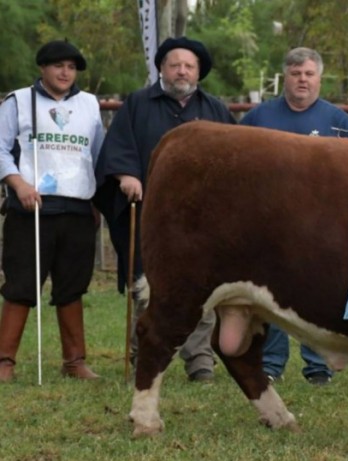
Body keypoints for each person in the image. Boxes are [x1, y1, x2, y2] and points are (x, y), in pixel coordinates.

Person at [94, 37, 235, 382]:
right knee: (149, 286)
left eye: (189, 66)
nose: (181, 71)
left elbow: (237, 160)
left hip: (202, 220)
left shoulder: (216, 110)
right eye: (175, 65)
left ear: (198, 71)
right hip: (150, 214)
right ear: (161, 68)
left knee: (202, 288)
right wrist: (126, 175)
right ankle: (144, 354)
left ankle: (200, 360)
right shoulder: (138, 105)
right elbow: (119, 146)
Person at [240, 47, 348, 386]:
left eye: (309, 74)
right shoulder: (258, 119)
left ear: (319, 78)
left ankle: (318, 365)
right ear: (286, 77)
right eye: (296, 74)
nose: (302, 80)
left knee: (316, 296)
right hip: (270, 225)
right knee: (272, 298)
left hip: (322, 229)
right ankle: (271, 364)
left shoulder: (337, 121)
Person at [0, 40, 104, 382]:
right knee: (21, 285)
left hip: (77, 209)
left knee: (72, 286)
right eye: (58, 66)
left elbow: (99, 154)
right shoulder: (18, 101)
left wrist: (99, 199)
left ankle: (74, 361)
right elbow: (0, 149)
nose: (65, 73)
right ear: (43, 68)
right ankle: (4, 362)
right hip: (30, 209)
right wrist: (18, 184)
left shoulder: (89, 105)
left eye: (71, 67)